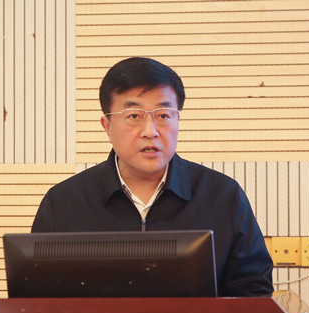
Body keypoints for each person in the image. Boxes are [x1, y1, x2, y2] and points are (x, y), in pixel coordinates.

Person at [31, 57, 273, 297]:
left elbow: (254, 292)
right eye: (134, 116)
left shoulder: (222, 196)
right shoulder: (64, 202)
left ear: (178, 120)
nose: (150, 131)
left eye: (163, 115)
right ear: (107, 126)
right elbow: (36, 299)